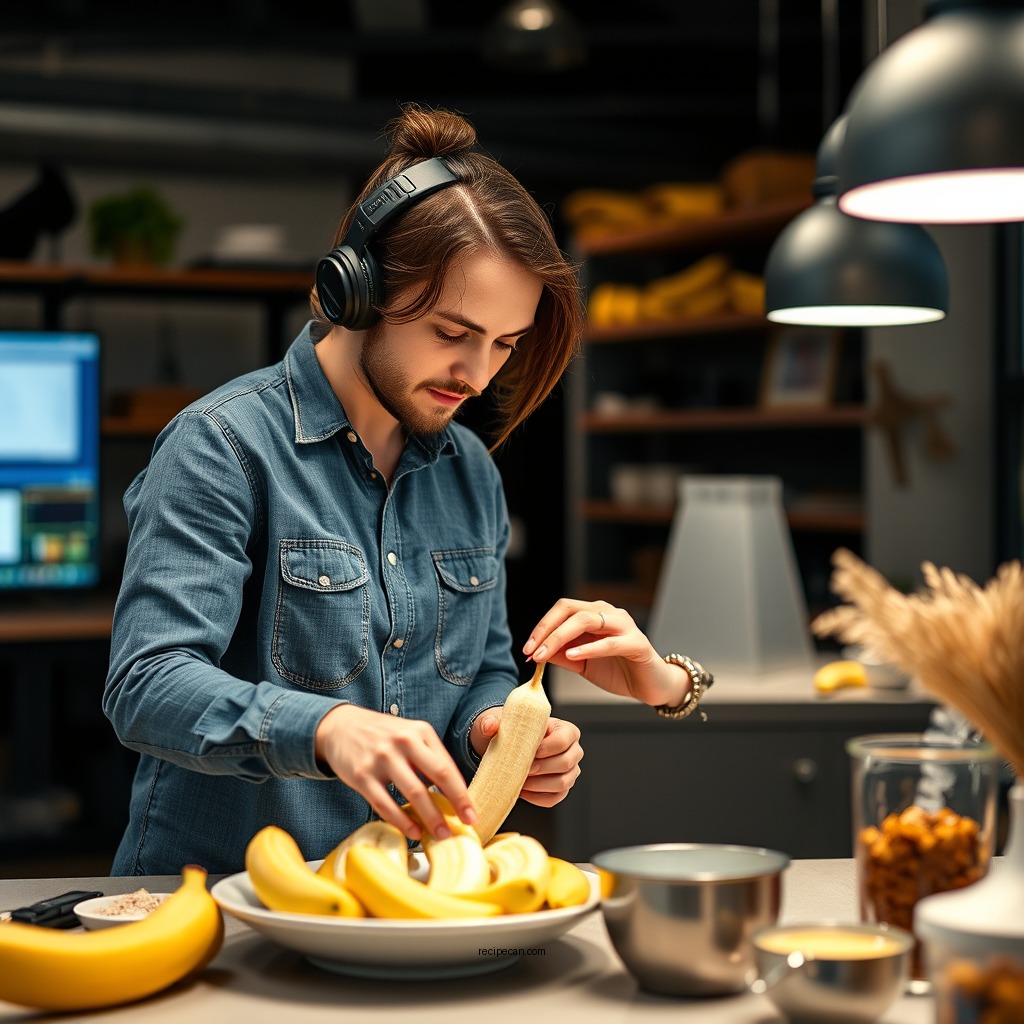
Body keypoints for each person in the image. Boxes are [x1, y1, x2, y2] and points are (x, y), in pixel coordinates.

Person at [103, 103, 709, 876]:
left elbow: (482, 665)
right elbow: (147, 684)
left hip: (401, 905)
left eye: (505, 344)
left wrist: (497, 728)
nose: (479, 375)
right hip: (215, 907)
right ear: (358, 290)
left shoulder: (470, 471)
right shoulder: (219, 446)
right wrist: (326, 730)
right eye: (453, 333)